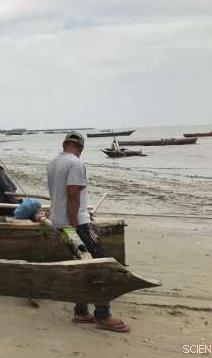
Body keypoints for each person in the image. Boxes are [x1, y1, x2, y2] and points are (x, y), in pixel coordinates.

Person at [47, 131, 131, 333]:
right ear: (80, 148)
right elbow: (73, 195)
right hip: (78, 224)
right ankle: (103, 315)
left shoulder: (53, 163)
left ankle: (81, 311)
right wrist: (75, 224)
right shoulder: (75, 163)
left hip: (59, 222)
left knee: (81, 264)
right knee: (100, 265)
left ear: (65, 144)